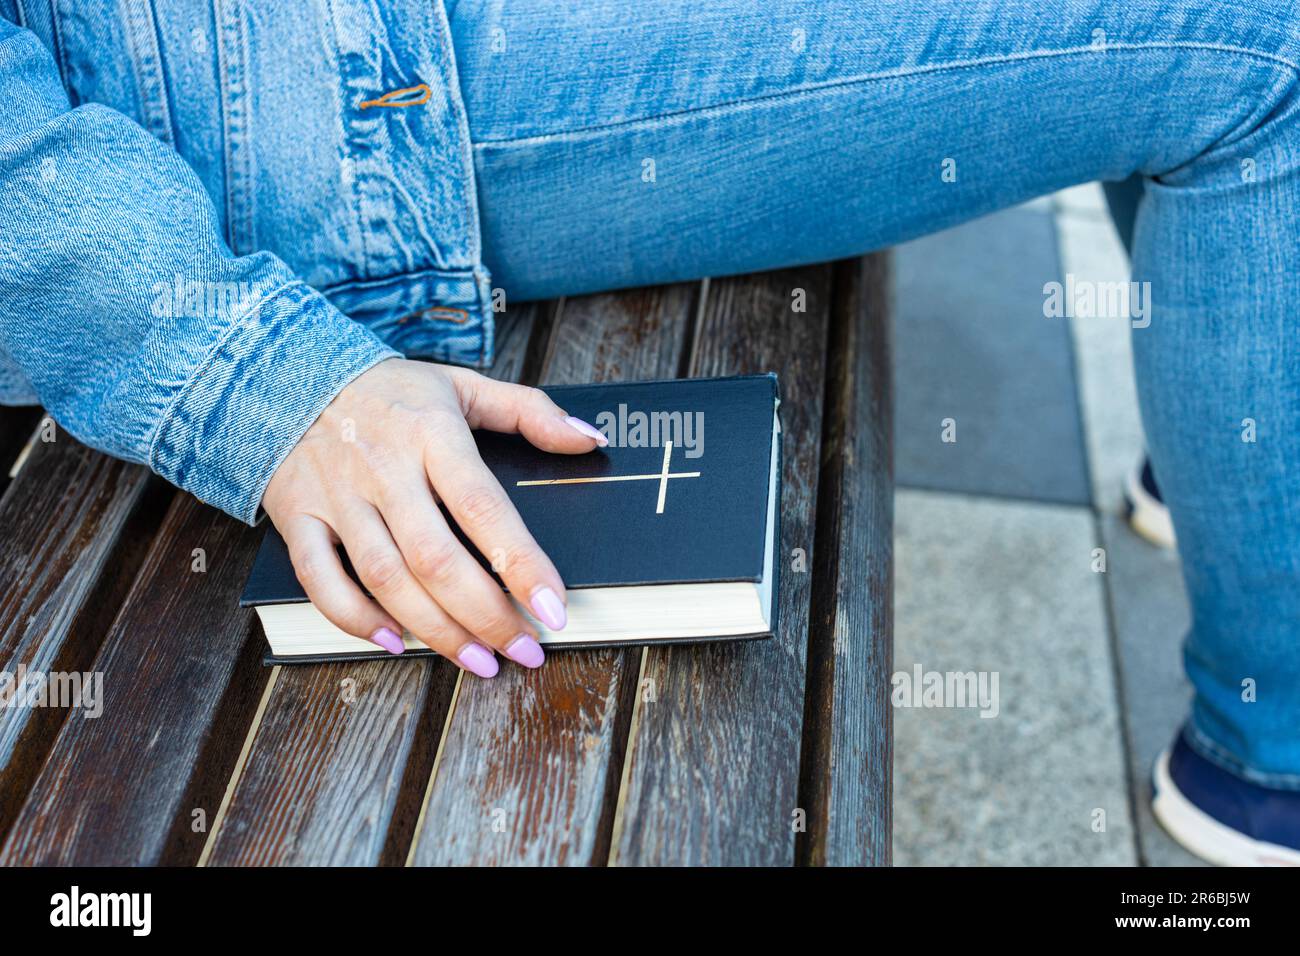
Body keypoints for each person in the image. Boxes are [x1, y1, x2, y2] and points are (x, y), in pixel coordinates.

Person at [1, 1, 1296, 865]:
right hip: (326, 100)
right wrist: (267, 379)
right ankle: (1270, 745)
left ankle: (1240, 442)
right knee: (1255, 47)